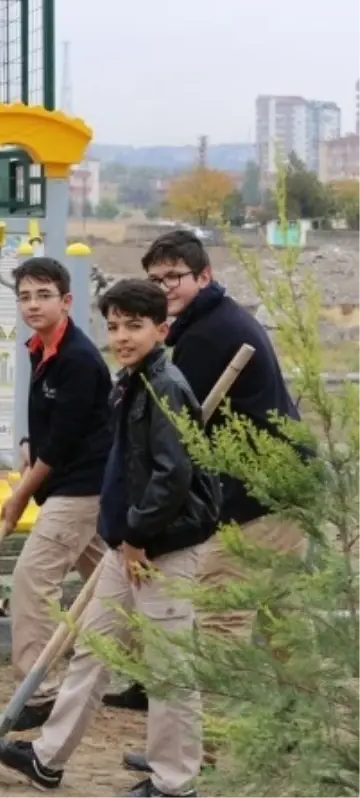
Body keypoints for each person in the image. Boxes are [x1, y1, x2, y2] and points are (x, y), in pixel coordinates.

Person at [0, 278, 220, 798]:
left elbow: (172, 475)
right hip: (126, 545)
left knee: (168, 666)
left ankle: (175, 783)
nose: (122, 336)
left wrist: (136, 534)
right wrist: (124, 537)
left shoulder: (166, 387)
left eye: (135, 326)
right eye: (114, 326)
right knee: (93, 650)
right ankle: (48, 758)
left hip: (163, 549)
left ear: (161, 329)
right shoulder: (132, 380)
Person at [110, 229, 310, 770]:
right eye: (155, 278)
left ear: (204, 277)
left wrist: (144, 525)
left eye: (174, 277)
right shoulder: (210, 323)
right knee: (281, 624)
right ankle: (301, 730)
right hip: (282, 492)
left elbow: (171, 439)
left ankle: (207, 753)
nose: (164, 287)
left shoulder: (206, 337)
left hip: (256, 502)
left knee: (221, 623)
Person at [0, 256, 112, 732]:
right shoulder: (40, 348)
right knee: (122, 588)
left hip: (82, 489)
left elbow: (63, 446)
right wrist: (29, 442)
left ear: (66, 301)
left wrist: (21, 493)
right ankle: (161, 670)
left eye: (43, 295)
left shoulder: (79, 360)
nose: (32, 304)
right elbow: (48, 423)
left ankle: (38, 691)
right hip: (74, 484)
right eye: (24, 296)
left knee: (31, 579)